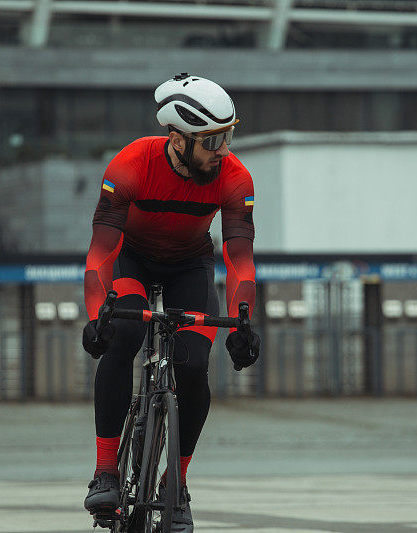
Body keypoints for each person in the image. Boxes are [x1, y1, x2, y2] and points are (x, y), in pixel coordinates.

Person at [81, 73, 261, 532]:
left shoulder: (235, 176)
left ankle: (174, 487)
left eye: (228, 136)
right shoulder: (131, 164)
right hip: (133, 261)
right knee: (124, 335)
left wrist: (243, 320)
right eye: (212, 141)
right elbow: (102, 250)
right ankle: (105, 470)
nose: (223, 150)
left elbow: (238, 254)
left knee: (192, 363)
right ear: (178, 139)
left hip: (190, 267)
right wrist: (96, 316)